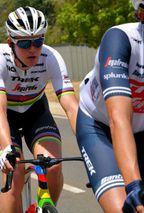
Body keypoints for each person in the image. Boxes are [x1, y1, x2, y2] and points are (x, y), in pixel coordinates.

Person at [0, 6, 78, 213]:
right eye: (25, 43)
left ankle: (45, 208)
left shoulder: (51, 57)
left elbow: (71, 107)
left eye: (38, 41)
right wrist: (6, 149)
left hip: (35, 110)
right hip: (4, 114)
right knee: (14, 174)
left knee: (52, 165)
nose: (33, 49)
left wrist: (90, 143)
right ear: (10, 43)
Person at [76, 0, 144, 212]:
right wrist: (133, 185)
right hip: (101, 126)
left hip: (140, 129)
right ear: (141, 14)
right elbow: (119, 118)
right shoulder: (121, 39)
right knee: (127, 207)